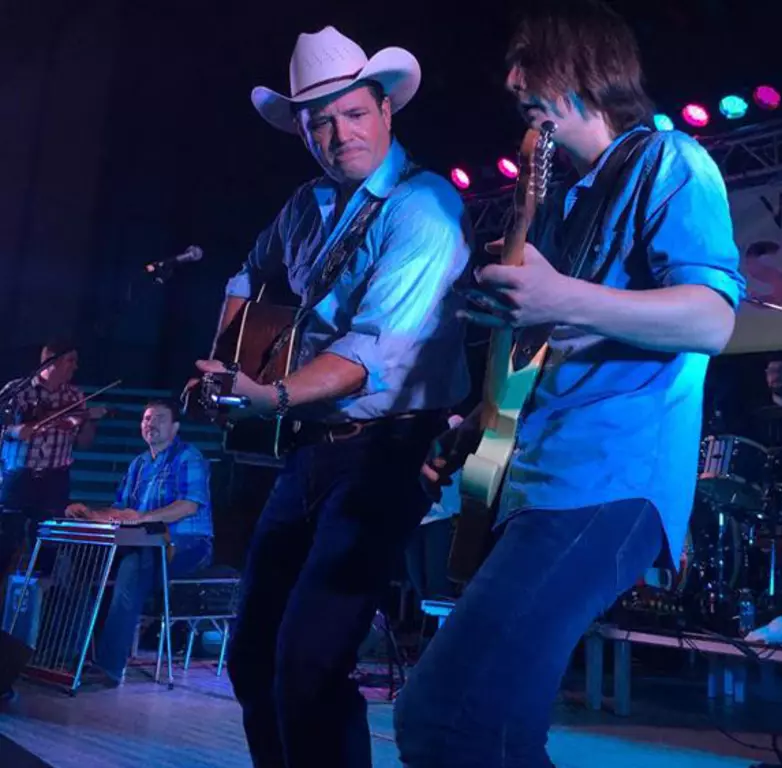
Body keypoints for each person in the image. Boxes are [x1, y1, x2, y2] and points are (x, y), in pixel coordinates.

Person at [394, 2, 744, 765]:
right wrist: (477, 422)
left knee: (438, 718)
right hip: (537, 481)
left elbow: (713, 320)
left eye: (531, 62)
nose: (513, 81)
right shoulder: (563, 201)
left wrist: (562, 299)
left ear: (587, 65)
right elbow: (554, 343)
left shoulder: (673, 163)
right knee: (501, 732)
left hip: (612, 481)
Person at [193, 25, 470, 768]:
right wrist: (229, 362)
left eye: (351, 113)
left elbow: (372, 353)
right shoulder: (306, 204)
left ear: (386, 111)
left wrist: (269, 392)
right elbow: (248, 277)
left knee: (309, 664)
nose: (335, 132)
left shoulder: (426, 208)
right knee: (252, 656)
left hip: (389, 451)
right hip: (311, 447)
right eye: (318, 121)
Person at [65, 400, 213, 684]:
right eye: (146, 419)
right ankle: (71, 654)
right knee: (77, 561)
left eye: (158, 418)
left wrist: (143, 517)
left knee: (133, 568)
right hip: (140, 541)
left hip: (188, 544)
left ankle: (109, 667)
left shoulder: (188, 457)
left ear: (175, 427)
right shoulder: (139, 463)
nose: (150, 424)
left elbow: (189, 506)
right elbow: (120, 509)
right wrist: (91, 514)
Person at [0, 341, 106, 578]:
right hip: (18, 474)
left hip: (54, 479)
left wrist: (89, 419)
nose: (75, 367)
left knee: (47, 545)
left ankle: (37, 601)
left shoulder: (74, 396)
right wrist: (17, 431)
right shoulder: (18, 390)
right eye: (71, 361)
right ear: (52, 362)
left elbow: (85, 443)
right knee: (5, 541)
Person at [405, 414, 464, 603]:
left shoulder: (455, 425)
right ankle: (426, 626)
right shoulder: (409, 427)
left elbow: (450, 462)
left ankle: (437, 629)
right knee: (417, 580)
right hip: (412, 515)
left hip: (442, 514)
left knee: (438, 582)